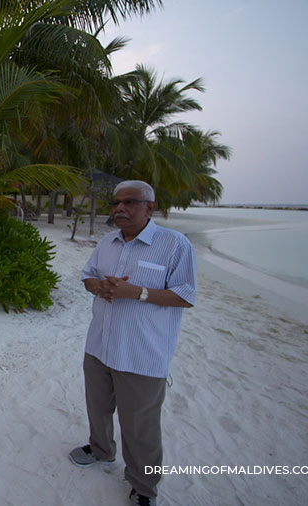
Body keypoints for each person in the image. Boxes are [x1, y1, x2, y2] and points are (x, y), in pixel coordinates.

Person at [69, 180, 197, 506]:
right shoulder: (108, 242)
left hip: (141, 354)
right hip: (100, 344)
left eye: (129, 202)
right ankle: (101, 449)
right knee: (98, 409)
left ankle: (143, 487)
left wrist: (135, 292)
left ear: (150, 208)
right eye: (116, 203)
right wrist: (98, 286)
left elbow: (185, 295)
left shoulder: (175, 244)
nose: (120, 209)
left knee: (140, 425)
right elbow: (88, 276)